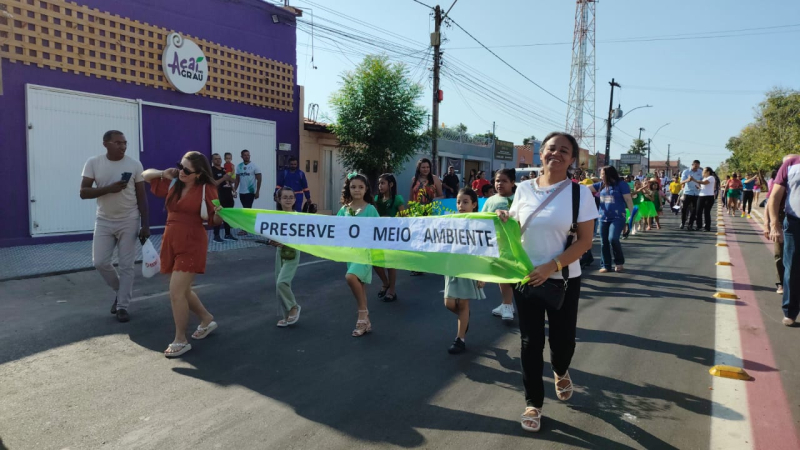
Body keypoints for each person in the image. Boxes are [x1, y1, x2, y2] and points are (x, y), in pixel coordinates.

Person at [497, 131, 598, 433]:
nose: (556, 154)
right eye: (551, 148)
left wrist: (551, 266)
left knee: (563, 341)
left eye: (564, 150)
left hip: (564, 279)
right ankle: (533, 403)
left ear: (572, 159)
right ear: (541, 153)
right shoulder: (524, 189)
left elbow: (585, 242)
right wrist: (505, 219)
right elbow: (518, 227)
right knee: (530, 342)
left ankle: (560, 369)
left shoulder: (580, 194)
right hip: (526, 278)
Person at [142, 152, 222, 357]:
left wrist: (219, 214)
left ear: (199, 173)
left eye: (187, 170)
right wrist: (164, 173)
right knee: (183, 290)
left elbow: (215, 221)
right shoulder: (174, 182)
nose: (182, 171)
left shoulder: (207, 188)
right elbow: (145, 175)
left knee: (176, 292)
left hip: (192, 242)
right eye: (180, 166)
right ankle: (206, 318)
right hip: (171, 240)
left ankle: (181, 339)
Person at [80, 130, 150, 323]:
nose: (123, 146)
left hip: (129, 220)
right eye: (118, 143)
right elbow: (83, 192)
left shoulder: (134, 164)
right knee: (100, 262)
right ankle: (120, 291)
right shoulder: (93, 163)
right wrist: (109, 189)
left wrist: (145, 224)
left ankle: (122, 306)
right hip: (103, 220)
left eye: (125, 143)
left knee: (127, 265)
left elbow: (142, 196)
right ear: (106, 144)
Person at [444, 187, 487, 354]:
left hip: (470, 268)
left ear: (474, 204)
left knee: (463, 303)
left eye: (465, 202)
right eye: (458, 202)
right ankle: (465, 317)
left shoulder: (480, 224)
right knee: (449, 303)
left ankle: (460, 339)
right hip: (452, 267)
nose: (460, 205)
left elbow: (485, 250)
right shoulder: (451, 220)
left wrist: (482, 275)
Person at [338, 173, 380, 336]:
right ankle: (365, 322)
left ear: (366, 189)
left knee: (351, 277)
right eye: (353, 187)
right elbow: (334, 228)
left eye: (361, 187)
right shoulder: (344, 210)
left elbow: (380, 230)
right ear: (348, 189)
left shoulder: (370, 209)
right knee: (360, 285)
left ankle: (362, 314)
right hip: (350, 253)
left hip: (364, 253)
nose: (357, 190)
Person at [766, 155, 800, 326]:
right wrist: (774, 225)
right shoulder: (791, 164)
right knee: (792, 268)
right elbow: (774, 197)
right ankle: (790, 311)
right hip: (795, 223)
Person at [482, 168, 516, 321]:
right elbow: (482, 219)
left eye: (504, 181)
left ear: (512, 183)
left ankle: (508, 304)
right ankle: (507, 304)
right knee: (503, 275)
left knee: (513, 276)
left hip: (517, 243)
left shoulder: (518, 199)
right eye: (497, 181)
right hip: (498, 245)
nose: (500, 184)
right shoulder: (490, 201)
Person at [589, 166, 634, 273]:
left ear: (609, 174)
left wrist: (632, 214)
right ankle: (606, 265)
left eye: (602, 174)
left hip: (618, 217)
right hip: (603, 217)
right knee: (604, 242)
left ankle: (619, 262)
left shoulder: (621, 185)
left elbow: (628, 199)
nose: (600, 176)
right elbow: (584, 188)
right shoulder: (601, 185)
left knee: (613, 238)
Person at [271, 187, 302, 327]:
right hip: (280, 252)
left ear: (295, 199)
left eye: (291, 197)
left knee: (282, 282)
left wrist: (287, 241)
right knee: (279, 285)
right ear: (278, 199)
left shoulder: (298, 217)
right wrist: (273, 241)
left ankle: (294, 307)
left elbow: (302, 236)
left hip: (293, 252)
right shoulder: (275, 217)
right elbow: (272, 235)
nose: (288, 200)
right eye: (285, 197)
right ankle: (286, 316)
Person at [373, 173, 405, 303]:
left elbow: (404, 218)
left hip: (392, 235)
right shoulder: (376, 199)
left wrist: (391, 220)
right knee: (375, 261)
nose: (380, 186)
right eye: (379, 183)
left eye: (383, 183)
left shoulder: (397, 199)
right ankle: (385, 282)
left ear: (390, 184)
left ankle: (392, 290)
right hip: (378, 234)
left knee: (391, 264)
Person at [210, 153, 237, 243]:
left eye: (219, 158)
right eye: (216, 159)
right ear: (212, 161)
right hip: (218, 196)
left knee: (228, 216)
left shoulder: (224, 169)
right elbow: (214, 183)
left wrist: (233, 190)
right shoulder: (211, 170)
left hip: (228, 196)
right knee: (218, 215)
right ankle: (216, 236)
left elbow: (232, 181)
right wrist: (223, 178)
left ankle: (227, 234)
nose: (218, 160)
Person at [680, 160, 704, 230]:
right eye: (695, 166)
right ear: (692, 165)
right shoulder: (686, 171)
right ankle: (683, 222)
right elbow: (681, 182)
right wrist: (687, 180)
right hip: (687, 192)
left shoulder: (700, 172)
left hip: (696, 193)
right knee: (684, 209)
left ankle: (690, 225)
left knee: (694, 210)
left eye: (698, 166)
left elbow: (702, 181)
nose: (696, 168)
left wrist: (700, 186)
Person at [693, 167, 717, 232]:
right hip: (701, 196)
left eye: (704, 171)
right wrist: (699, 188)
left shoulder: (711, 177)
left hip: (709, 197)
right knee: (698, 211)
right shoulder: (704, 178)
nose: (702, 172)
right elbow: (704, 186)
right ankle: (699, 226)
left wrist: (694, 180)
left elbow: (705, 183)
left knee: (706, 212)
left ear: (708, 172)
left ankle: (707, 227)